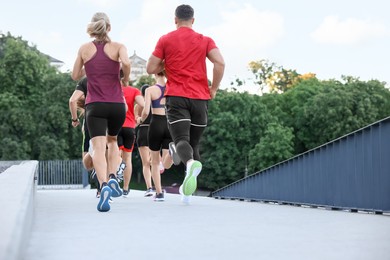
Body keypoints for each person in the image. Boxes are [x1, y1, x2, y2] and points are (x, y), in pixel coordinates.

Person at [146, 4, 225, 203]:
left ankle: (189, 163)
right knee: (194, 143)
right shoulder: (205, 40)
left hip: (177, 98)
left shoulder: (166, 39)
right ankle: (187, 194)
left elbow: (150, 68)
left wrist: (168, 62)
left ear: (175, 20)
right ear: (193, 20)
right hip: (200, 99)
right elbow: (220, 63)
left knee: (181, 140)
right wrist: (213, 88)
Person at [71, 12, 131, 212]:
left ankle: (103, 184)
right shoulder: (118, 47)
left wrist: (90, 68)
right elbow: (127, 63)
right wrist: (125, 79)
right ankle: (113, 177)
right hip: (116, 105)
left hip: (94, 106)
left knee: (97, 147)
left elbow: (74, 75)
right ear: (109, 28)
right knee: (113, 141)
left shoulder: (84, 49)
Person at [140, 71, 173, 201]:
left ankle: (159, 193)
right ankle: (171, 154)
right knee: (166, 162)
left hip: (156, 124)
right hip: (169, 123)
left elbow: (146, 111)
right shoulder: (172, 87)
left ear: (155, 74)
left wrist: (141, 119)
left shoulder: (150, 90)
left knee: (154, 162)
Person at [118, 71, 144, 197]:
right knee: (127, 158)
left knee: (113, 155)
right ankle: (126, 188)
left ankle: (112, 181)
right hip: (130, 127)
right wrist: (139, 119)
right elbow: (143, 104)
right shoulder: (134, 91)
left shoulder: (112, 90)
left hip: (115, 127)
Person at [135, 84, 154, 197]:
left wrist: (140, 119)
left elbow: (136, 120)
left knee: (146, 163)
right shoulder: (155, 104)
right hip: (154, 131)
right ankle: (157, 188)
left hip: (143, 131)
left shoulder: (139, 105)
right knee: (153, 162)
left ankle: (149, 188)